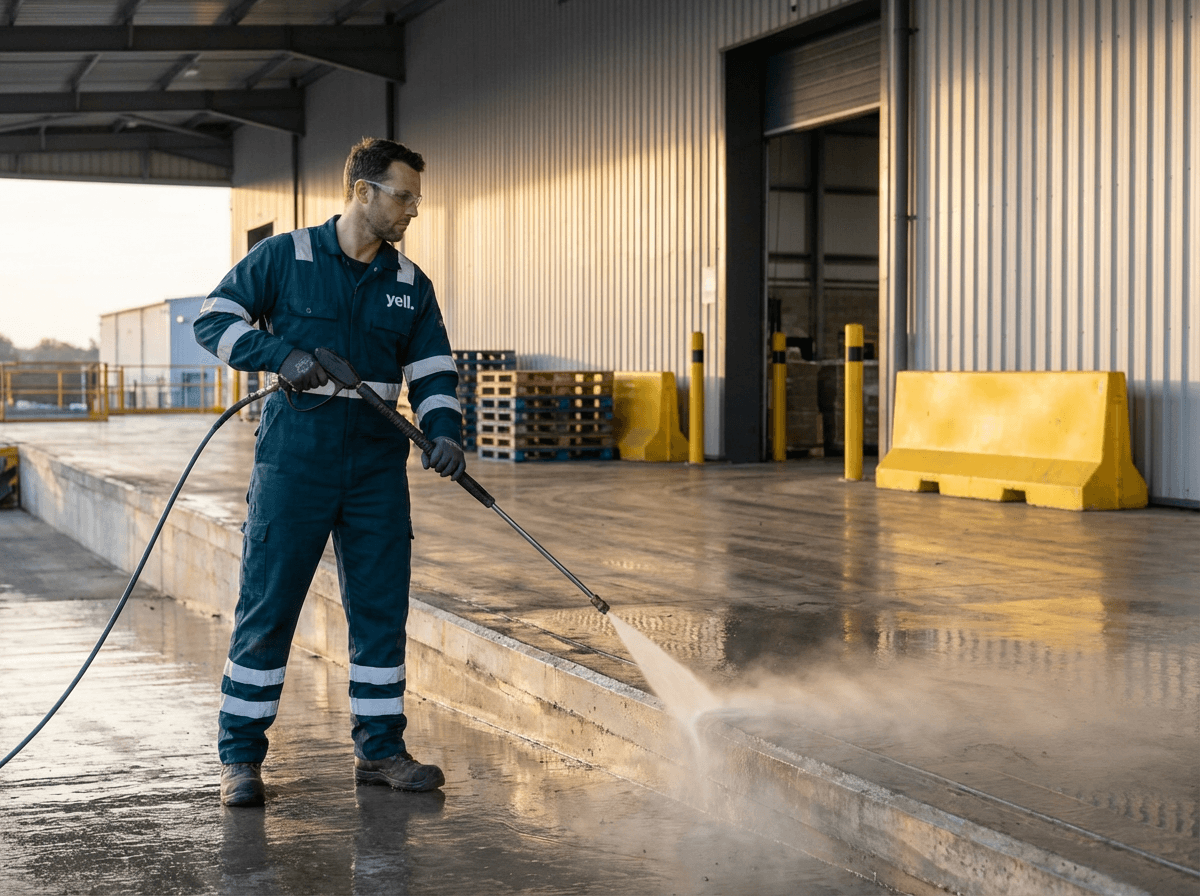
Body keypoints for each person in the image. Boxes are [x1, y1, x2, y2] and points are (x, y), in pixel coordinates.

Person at [194, 138, 465, 808]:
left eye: (414, 200)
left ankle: (380, 750)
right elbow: (215, 319)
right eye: (402, 196)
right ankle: (240, 758)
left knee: (379, 611)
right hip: (296, 461)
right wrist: (279, 354)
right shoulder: (288, 257)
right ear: (363, 191)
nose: (411, 212)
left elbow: (432, 369)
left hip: (376, 466)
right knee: (269, 606)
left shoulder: (409, 285)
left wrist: (446, 433)